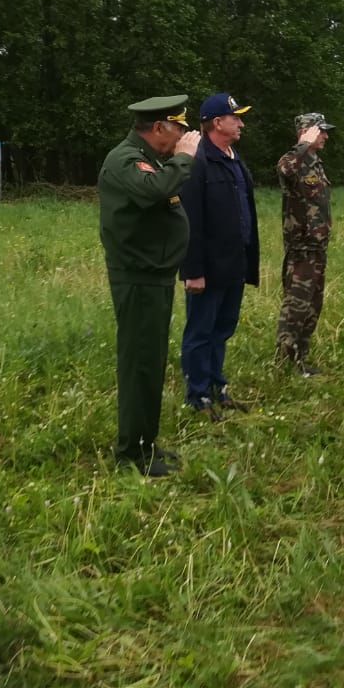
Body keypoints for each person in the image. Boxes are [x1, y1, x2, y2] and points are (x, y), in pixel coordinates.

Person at [98, 94, 201, 477]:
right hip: (138, 279)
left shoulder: (154, 160)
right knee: (140, 364)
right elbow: (154, 190)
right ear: (158, 127)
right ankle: (131, 455)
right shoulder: (125, 159)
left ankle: (145, 443)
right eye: (178, 128)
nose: (184, 136)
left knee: (151, 363)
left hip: (154, 277)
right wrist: (184, 158)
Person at [179, 92, 259, 420]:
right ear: (217, 122)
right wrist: (192, 271)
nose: (240, 122)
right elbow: (189, 220)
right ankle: (197, 396)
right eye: (235, 117)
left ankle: (217, 386)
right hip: (207, 267)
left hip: (233, 264)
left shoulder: (234, 158)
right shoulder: (197, 161)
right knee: (200, 330)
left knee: (223, 328)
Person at [276, 113, 335, 377]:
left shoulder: (315, 164)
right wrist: (303, 143)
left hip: (317, 249)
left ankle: (300, 359)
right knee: (296, 306)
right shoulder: (295, 160)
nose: (325, 136)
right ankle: (284, 362)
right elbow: (283, 167)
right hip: (301, 249)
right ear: (307, 132)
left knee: (313, 306)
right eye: (321, 131)